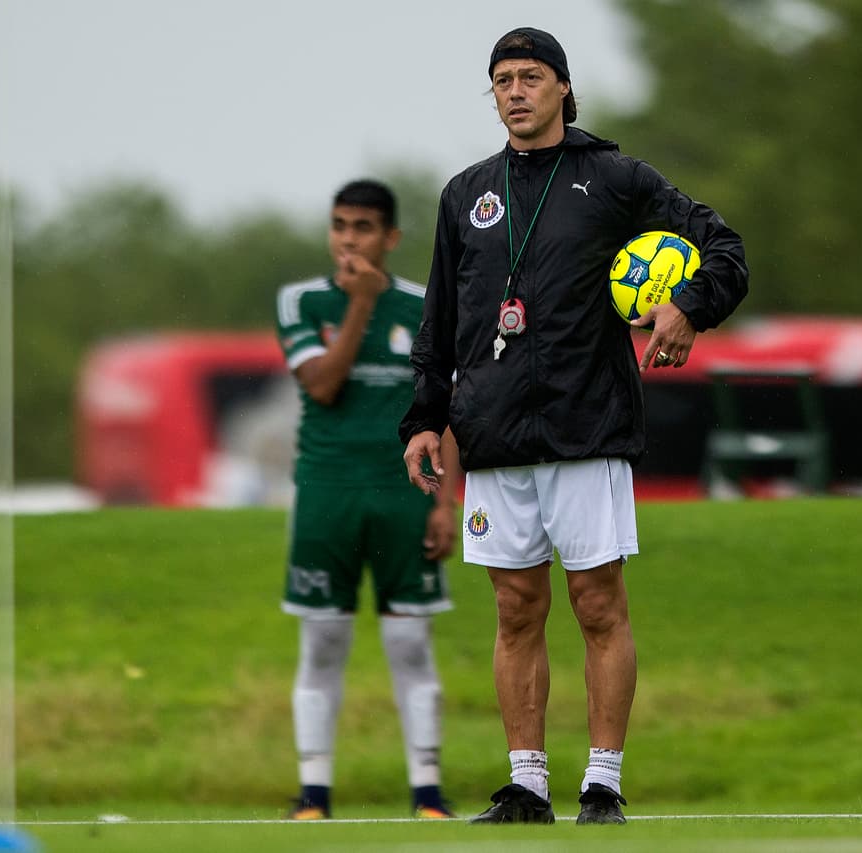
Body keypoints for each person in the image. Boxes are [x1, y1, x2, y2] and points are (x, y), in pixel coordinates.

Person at [399, 28, 748, 825]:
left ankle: (603, 784)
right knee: (515, 608)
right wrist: (423, 418)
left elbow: (724, 249)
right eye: (502, 80)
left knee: (596, 603)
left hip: (587, 427)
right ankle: (527, 786)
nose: (515, 91)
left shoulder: (617, 177)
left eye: (530, 76)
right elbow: (440, 322)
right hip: (493, 435)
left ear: (562, 87)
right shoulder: (465, 194)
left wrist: (687, 308)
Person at [277, 179, 461, 820]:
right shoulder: (301, 301)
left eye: (362, 227)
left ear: (390, 237)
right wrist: (359, 305)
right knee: (324, 642)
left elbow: (447, 410)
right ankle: (313, 796)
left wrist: (446, 504)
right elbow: (322, 385)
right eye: (339, 226)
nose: (348, 239)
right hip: (326, 494)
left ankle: (428, 795)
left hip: (405, 494)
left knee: (410, 644)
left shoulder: (424, 306)